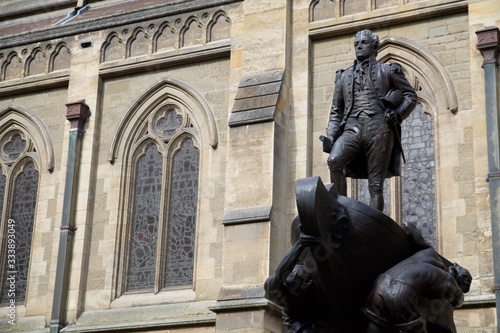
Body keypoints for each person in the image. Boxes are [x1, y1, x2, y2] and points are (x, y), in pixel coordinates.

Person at [323, 29, 417, 211]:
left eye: (363, 43)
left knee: (375, 185)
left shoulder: (388, 70)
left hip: (379, 128)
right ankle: (341, 210)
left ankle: (373, 224)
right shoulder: (344, 76)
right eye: (356, 43)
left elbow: (410, 96)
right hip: (352, 128)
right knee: (335, 160)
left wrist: (397, 114)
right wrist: (331, 135)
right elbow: (336, 111)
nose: (359, 46)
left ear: (374, 47)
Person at [362, 223, 472, 333]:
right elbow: (458, 300)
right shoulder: (447, 279)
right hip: (402, 291)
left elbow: (412, 230)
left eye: (460, 267)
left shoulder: (431, 253)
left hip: (382, 282)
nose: (456, 264)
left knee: (376, 325)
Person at [264, 217, 334, 333]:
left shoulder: (308, 290)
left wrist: (301, 243)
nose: (281, 301)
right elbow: (279, 275)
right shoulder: (288, 303)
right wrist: (300, 243)